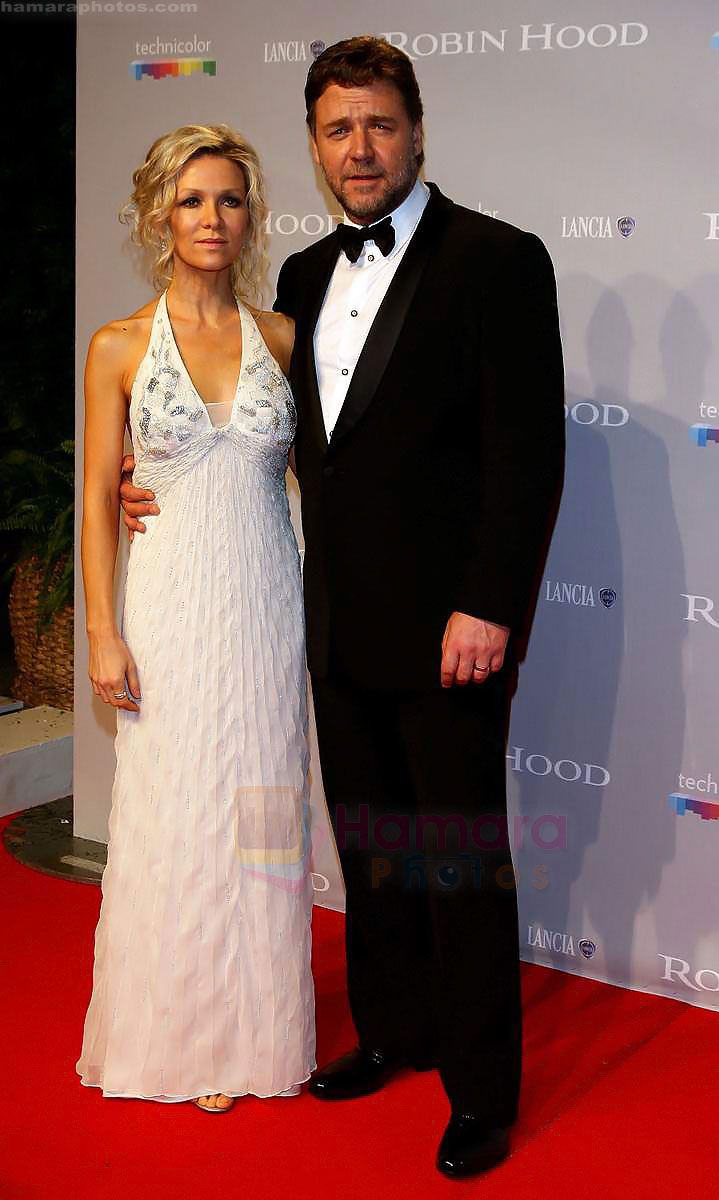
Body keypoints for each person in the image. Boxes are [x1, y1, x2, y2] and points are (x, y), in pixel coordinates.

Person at [123, 36, 564, 1176]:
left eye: (376, 124)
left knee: (458, 859)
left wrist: (485, 605)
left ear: (415, 129)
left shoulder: (496, 261)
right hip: (325, 622)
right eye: (335, 129)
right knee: (371, 847)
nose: (357, 148)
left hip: (451, 632)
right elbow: (263, 443)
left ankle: (479, 1091)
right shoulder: (303, 283)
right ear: (314, 146)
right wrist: (147, 485)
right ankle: (393, 1033)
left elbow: (526, 458)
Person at [77, 124, 316, 1113]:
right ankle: (173, 1034)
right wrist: (101, 629)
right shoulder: (119, 346)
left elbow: (327, 480)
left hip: (265, 608)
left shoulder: (282, 339)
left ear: (250, 215)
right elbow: (96, 494)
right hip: (168, 614)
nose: (210, 218)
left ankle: (257, 1034)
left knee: (261, 822)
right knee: (172, 818)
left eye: (227, 199)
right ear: (157, 216)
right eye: (190, 200)